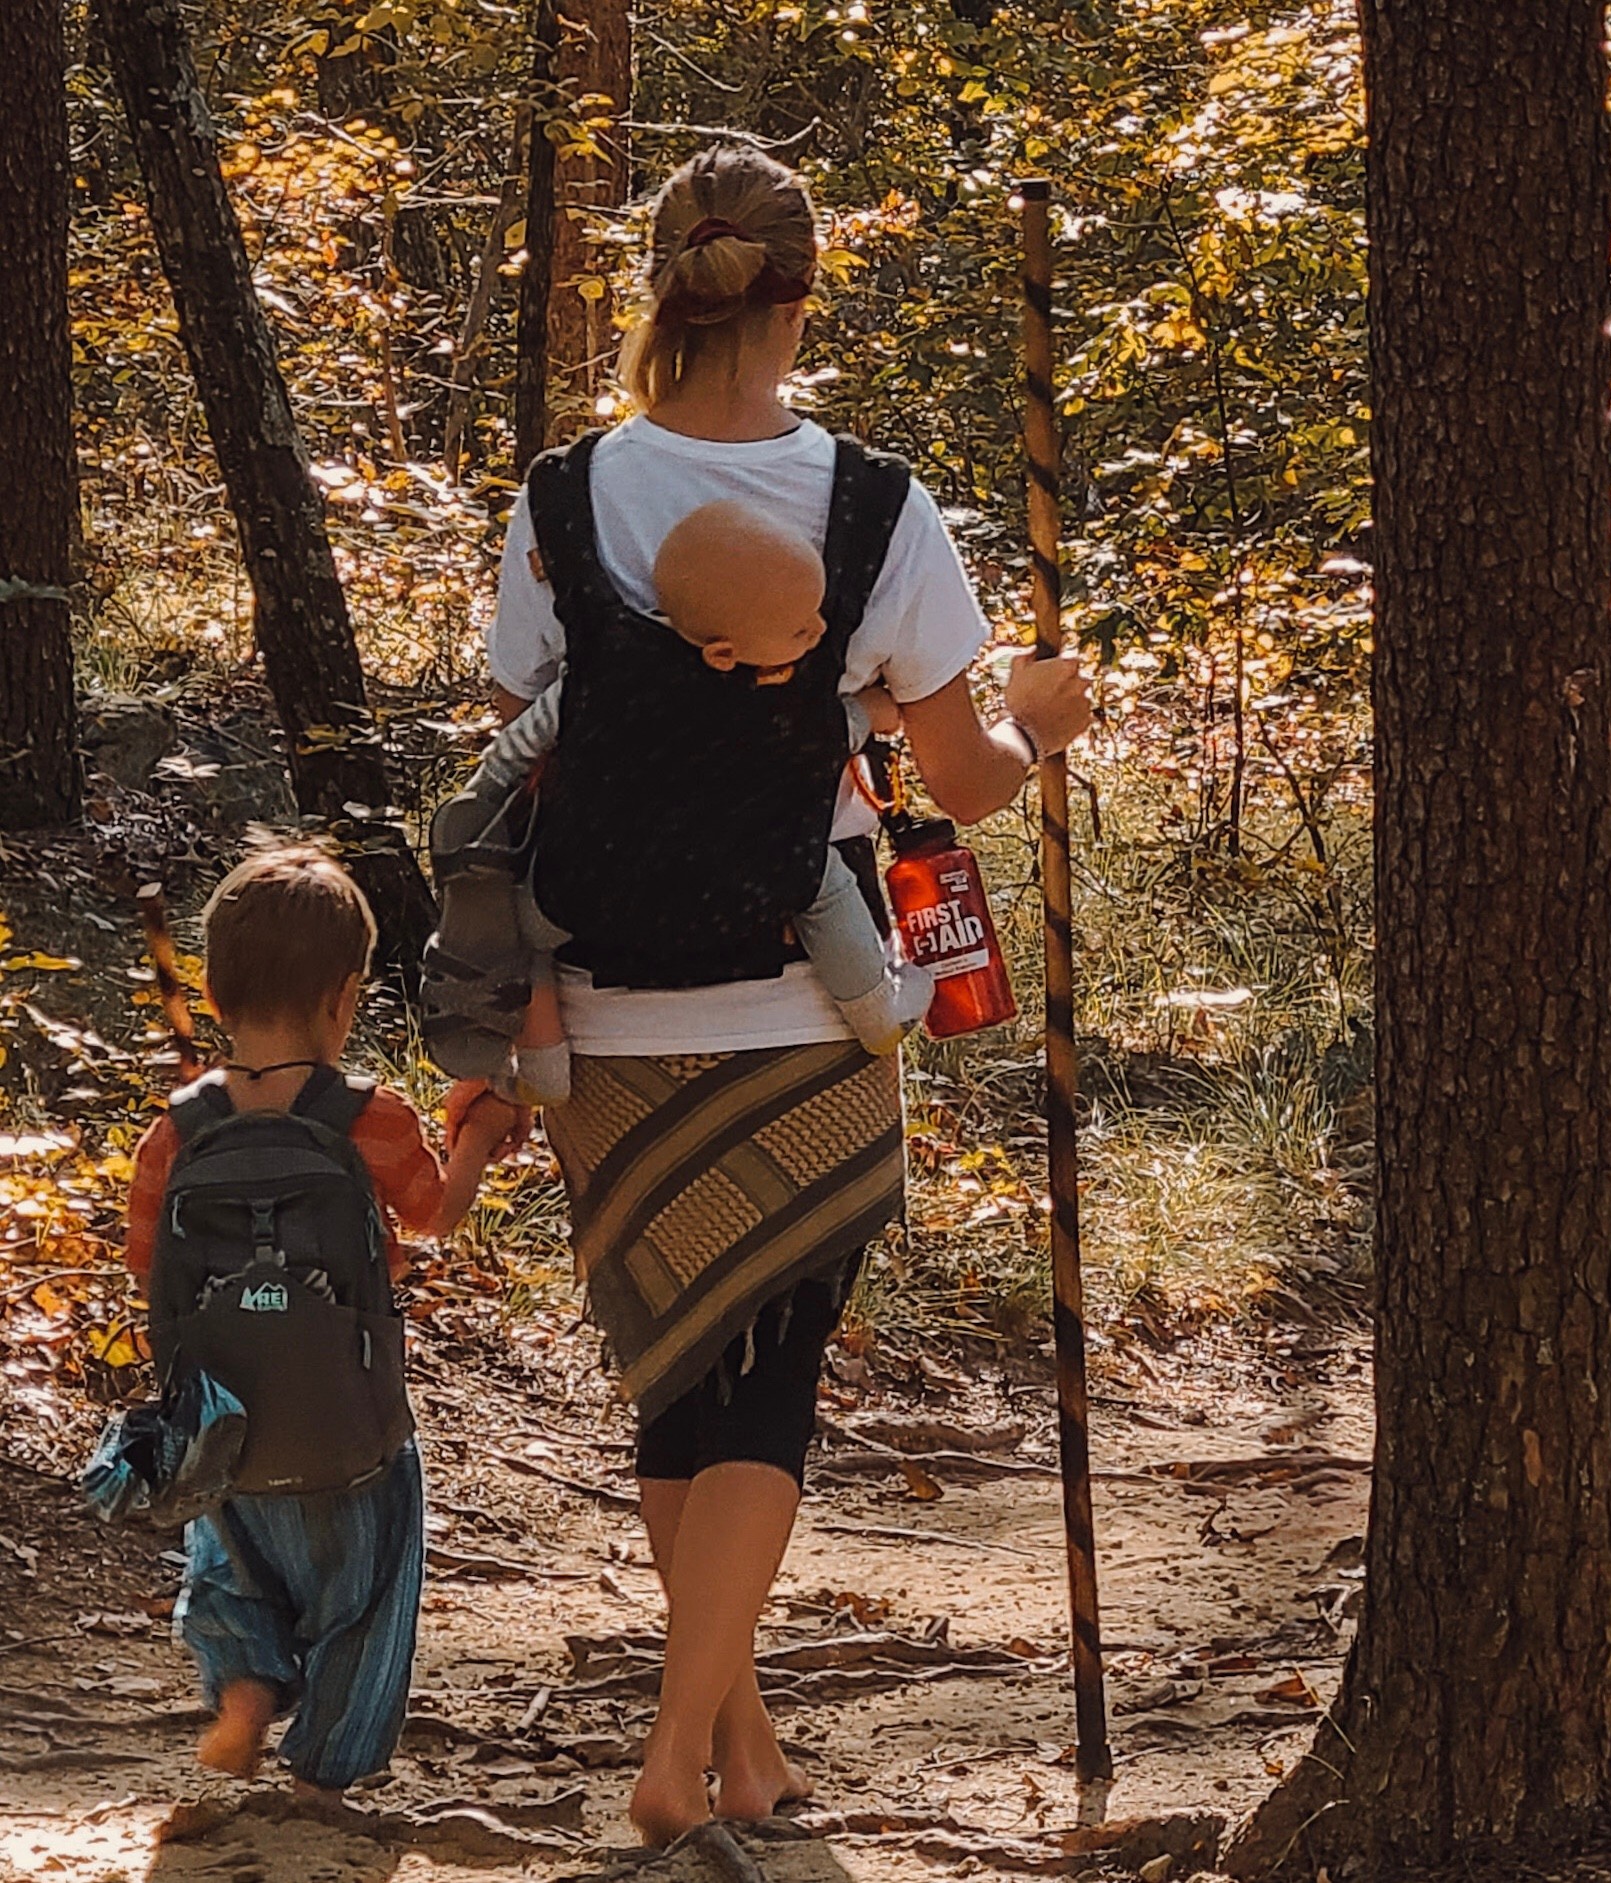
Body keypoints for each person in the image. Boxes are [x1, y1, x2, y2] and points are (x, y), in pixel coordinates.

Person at [482, 144, 1090, 1845]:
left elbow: (530, 743)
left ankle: (741, 1745)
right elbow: (962, 782)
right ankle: (678, 1749)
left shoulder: (559, 497)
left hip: (600, 1004)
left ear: (662, 288)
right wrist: (1047, 710)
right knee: (767, 1382)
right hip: (805, 1008)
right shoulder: (878, 508)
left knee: (679, 1375)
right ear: (803, 295)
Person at [120, 845, 521, 1795]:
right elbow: (436, 1212)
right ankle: (326, 1769)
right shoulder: (369, 1116)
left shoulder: (174, 1131)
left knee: (229, 1562)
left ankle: (246, 1687)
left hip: (223, 1429)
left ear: (212, 995)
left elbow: (149, 1272)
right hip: (355, 1427)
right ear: (346, 997)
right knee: (369, 1587)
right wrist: (481, 1128)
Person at [444, 500, 933, 1101]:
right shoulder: (780, 704)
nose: (820, 632)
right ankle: (879, 1014)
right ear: (724, 653)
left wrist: (477, 806)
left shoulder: (597, 677)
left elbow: (516, 750)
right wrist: (883, 710)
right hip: (755, 882)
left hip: (591, 880)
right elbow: (851, 723)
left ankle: (544, 1067)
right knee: (826, 888)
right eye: (802, 625)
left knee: (520, 931)